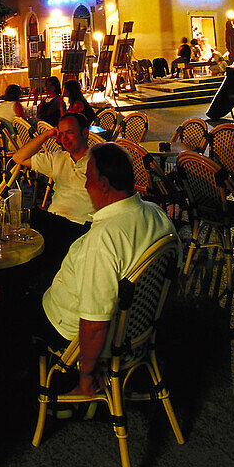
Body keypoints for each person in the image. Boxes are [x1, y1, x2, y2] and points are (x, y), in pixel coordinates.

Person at [39, 142, 178, 396]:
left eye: (88, 178)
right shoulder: (158, 215)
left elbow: (95, 325)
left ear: (103, 184)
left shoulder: (104, 240)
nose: (85, 186)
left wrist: (86, 379)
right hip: (137, 329)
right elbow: (171, 279)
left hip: (71, 334)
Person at [12, 113, 94, 273]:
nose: (64, 138)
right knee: (13, 242)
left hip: (80, 228)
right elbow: (18, 157)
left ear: (85, 133)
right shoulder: (57, 159)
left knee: (28, 253)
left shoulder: (99, 161)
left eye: (69, 132)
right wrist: (48, 134)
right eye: (61, 133)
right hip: (52, 222)